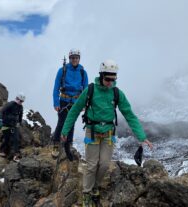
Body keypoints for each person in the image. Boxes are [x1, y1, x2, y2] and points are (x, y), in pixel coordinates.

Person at [60, 59, 153, 206]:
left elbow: (129, 115)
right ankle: (87, 194)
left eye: (113, 79)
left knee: (103, 165)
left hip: (109, 133)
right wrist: (65, 130)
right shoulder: (90, 90)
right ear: (101, 75)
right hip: (92, 132)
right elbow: (75, 110)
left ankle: (96, 187)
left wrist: (142, 137)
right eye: (107, 79)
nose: (110, 82)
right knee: (91, 165)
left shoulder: (117, 93)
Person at [52, 49, 89, 160]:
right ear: (69, 59)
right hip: (64, 101)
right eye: (72, 58)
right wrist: (56, 102)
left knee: (71, 123)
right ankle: (56, 144)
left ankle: (68, 145)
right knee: (62, 122)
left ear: (79, 59)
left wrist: (84, 104)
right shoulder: (62, 70)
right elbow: (55, 88)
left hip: (76, 102)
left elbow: (86, 90)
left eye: (76, 58)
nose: (74, 60)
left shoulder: (83, 72)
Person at [0, 93, 25, 162]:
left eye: (22, 101)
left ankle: (16, 156)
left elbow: (20, 116)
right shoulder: (10, 104)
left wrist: (19, 122)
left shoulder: (20, 107)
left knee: (16, 139)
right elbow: (1, 112)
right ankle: (0, 150)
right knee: (7, 139)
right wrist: (0, 121)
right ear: (17, 98)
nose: (20, 102)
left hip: (14, 125)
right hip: (5, 124)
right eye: (20, 100)